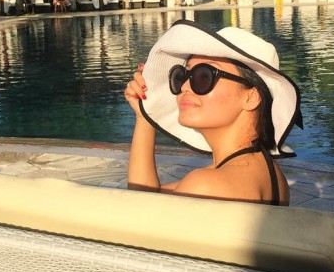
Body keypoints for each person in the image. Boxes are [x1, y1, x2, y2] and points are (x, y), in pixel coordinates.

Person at [124, 20, 302, 206]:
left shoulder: (205, 185)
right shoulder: (271, 175)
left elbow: (137, 209)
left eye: (203, 76)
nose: (184, 87)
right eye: (182, 76)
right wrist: (145, 115)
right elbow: (145, 198)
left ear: (251, 97)